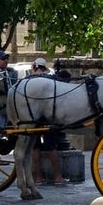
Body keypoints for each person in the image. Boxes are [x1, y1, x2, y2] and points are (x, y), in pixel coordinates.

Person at [28, 58, 68, 187]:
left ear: (34, 67)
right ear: (44, 68)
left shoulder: (28, 80)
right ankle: (58, 176)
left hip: (33, 117)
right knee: (51, 147)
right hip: (47, 117)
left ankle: (38, 178)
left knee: (35, 148)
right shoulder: (50, 79)